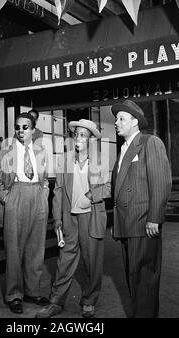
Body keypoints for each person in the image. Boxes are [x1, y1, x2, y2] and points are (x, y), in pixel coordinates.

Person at [36, 119, 111, 318]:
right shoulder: (65, 159)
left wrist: (90, 195)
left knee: (92, 262)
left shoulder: (100, 160)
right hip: (70, 218)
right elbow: (58, 190)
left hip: (91, 217)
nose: (78, 138)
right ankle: (56, 302)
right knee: (64, 261)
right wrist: (58, 219)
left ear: (91, 140)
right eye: (76, 134)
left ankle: (89, 301)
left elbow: (109, 188)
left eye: (83, 135)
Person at [111, 99, 172, 318]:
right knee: (134, 280)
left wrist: (154, 218)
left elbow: (161, 182)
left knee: (144, 281)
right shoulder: (124, 149)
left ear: (135, 121)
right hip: (128, 225)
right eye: (116, 119)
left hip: (144, 224)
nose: (116, 122)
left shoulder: (149, 142)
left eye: (121, 119)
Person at [0, 112, 50, 314]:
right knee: (14, 251)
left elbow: (45, 179)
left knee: (36, 249)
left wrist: (44, 194)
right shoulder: (4, 153)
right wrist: (8, 199)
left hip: (38, 197)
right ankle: (14, 295)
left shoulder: (41, 152)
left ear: (33, 130)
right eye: (17, 127)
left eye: (25, 127)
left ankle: (32, 292)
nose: (20, 130)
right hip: (16, 196)